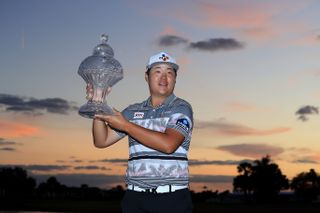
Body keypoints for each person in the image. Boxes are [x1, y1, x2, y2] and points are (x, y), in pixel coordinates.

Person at [89, 51, 193, 213]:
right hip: (134, 199)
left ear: (175, 78)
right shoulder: (132, 111)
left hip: (172, 199)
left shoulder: (181, 108)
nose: (164, 78)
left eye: (169, 73)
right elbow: (101, 141)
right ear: (146, 76)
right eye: (157, 71)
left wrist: (126, 126)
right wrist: (98, 103)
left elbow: (169, 145)